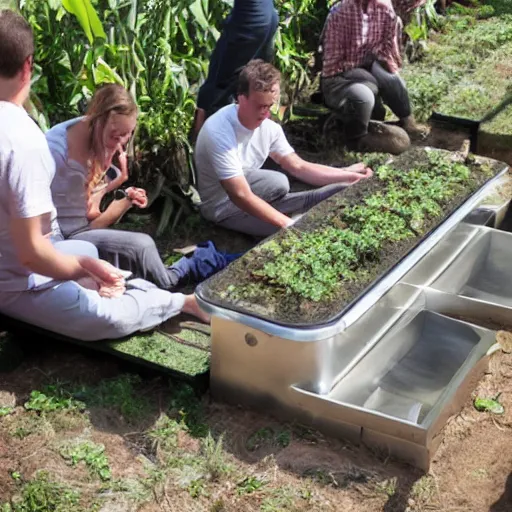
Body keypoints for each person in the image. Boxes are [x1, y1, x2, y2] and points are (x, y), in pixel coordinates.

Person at [0, 9, 208, 342]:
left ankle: (143, 288)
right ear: (28, 67)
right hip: (18, 283)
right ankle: (179, 301)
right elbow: (32, 253)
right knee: (108, 318)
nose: (122, 143)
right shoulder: (27, 141)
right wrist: (83, 267)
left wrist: (119, 191)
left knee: (96, 257)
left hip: (35, 258)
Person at [46, 83, 241, 291]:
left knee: (142, 250)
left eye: (127, 134)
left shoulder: (99, 140)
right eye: (115, 135)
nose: (120, 142)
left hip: (78, 234)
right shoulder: (56, 153)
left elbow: (89, 212)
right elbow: (81, 223)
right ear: (99, 119)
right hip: (58, 242)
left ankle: (207, 260)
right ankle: (203, 261)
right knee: (143, 250)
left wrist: (125, 194)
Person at [194, 59, 373, 238]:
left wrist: (349, 176)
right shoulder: (218, 131)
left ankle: (305, 202)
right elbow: (240, 194)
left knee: (279, 183)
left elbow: (299, 167)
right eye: (261, 106)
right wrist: (287, 224)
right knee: (290, 231)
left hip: (247, 185)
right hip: (221, 203)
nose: (267, 113)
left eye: (270, 105)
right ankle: (286, 214)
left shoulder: (269, 127)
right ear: (241, 98)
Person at [319, 0, 428, 154]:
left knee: (391, 78)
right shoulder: (339, 12)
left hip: (367, 65)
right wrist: (363, 75)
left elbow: (387, 47)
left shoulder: (384, 7)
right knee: (364, 95)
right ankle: (356, 140)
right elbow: (331, 62)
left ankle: (408, 122)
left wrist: (383, 68)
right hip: (339, 74)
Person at [191, 0, 279, 140]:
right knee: (248, 84)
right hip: (266, 14)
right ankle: (248, 143)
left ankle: (204, 143)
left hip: (251, 19)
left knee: (219, 85)